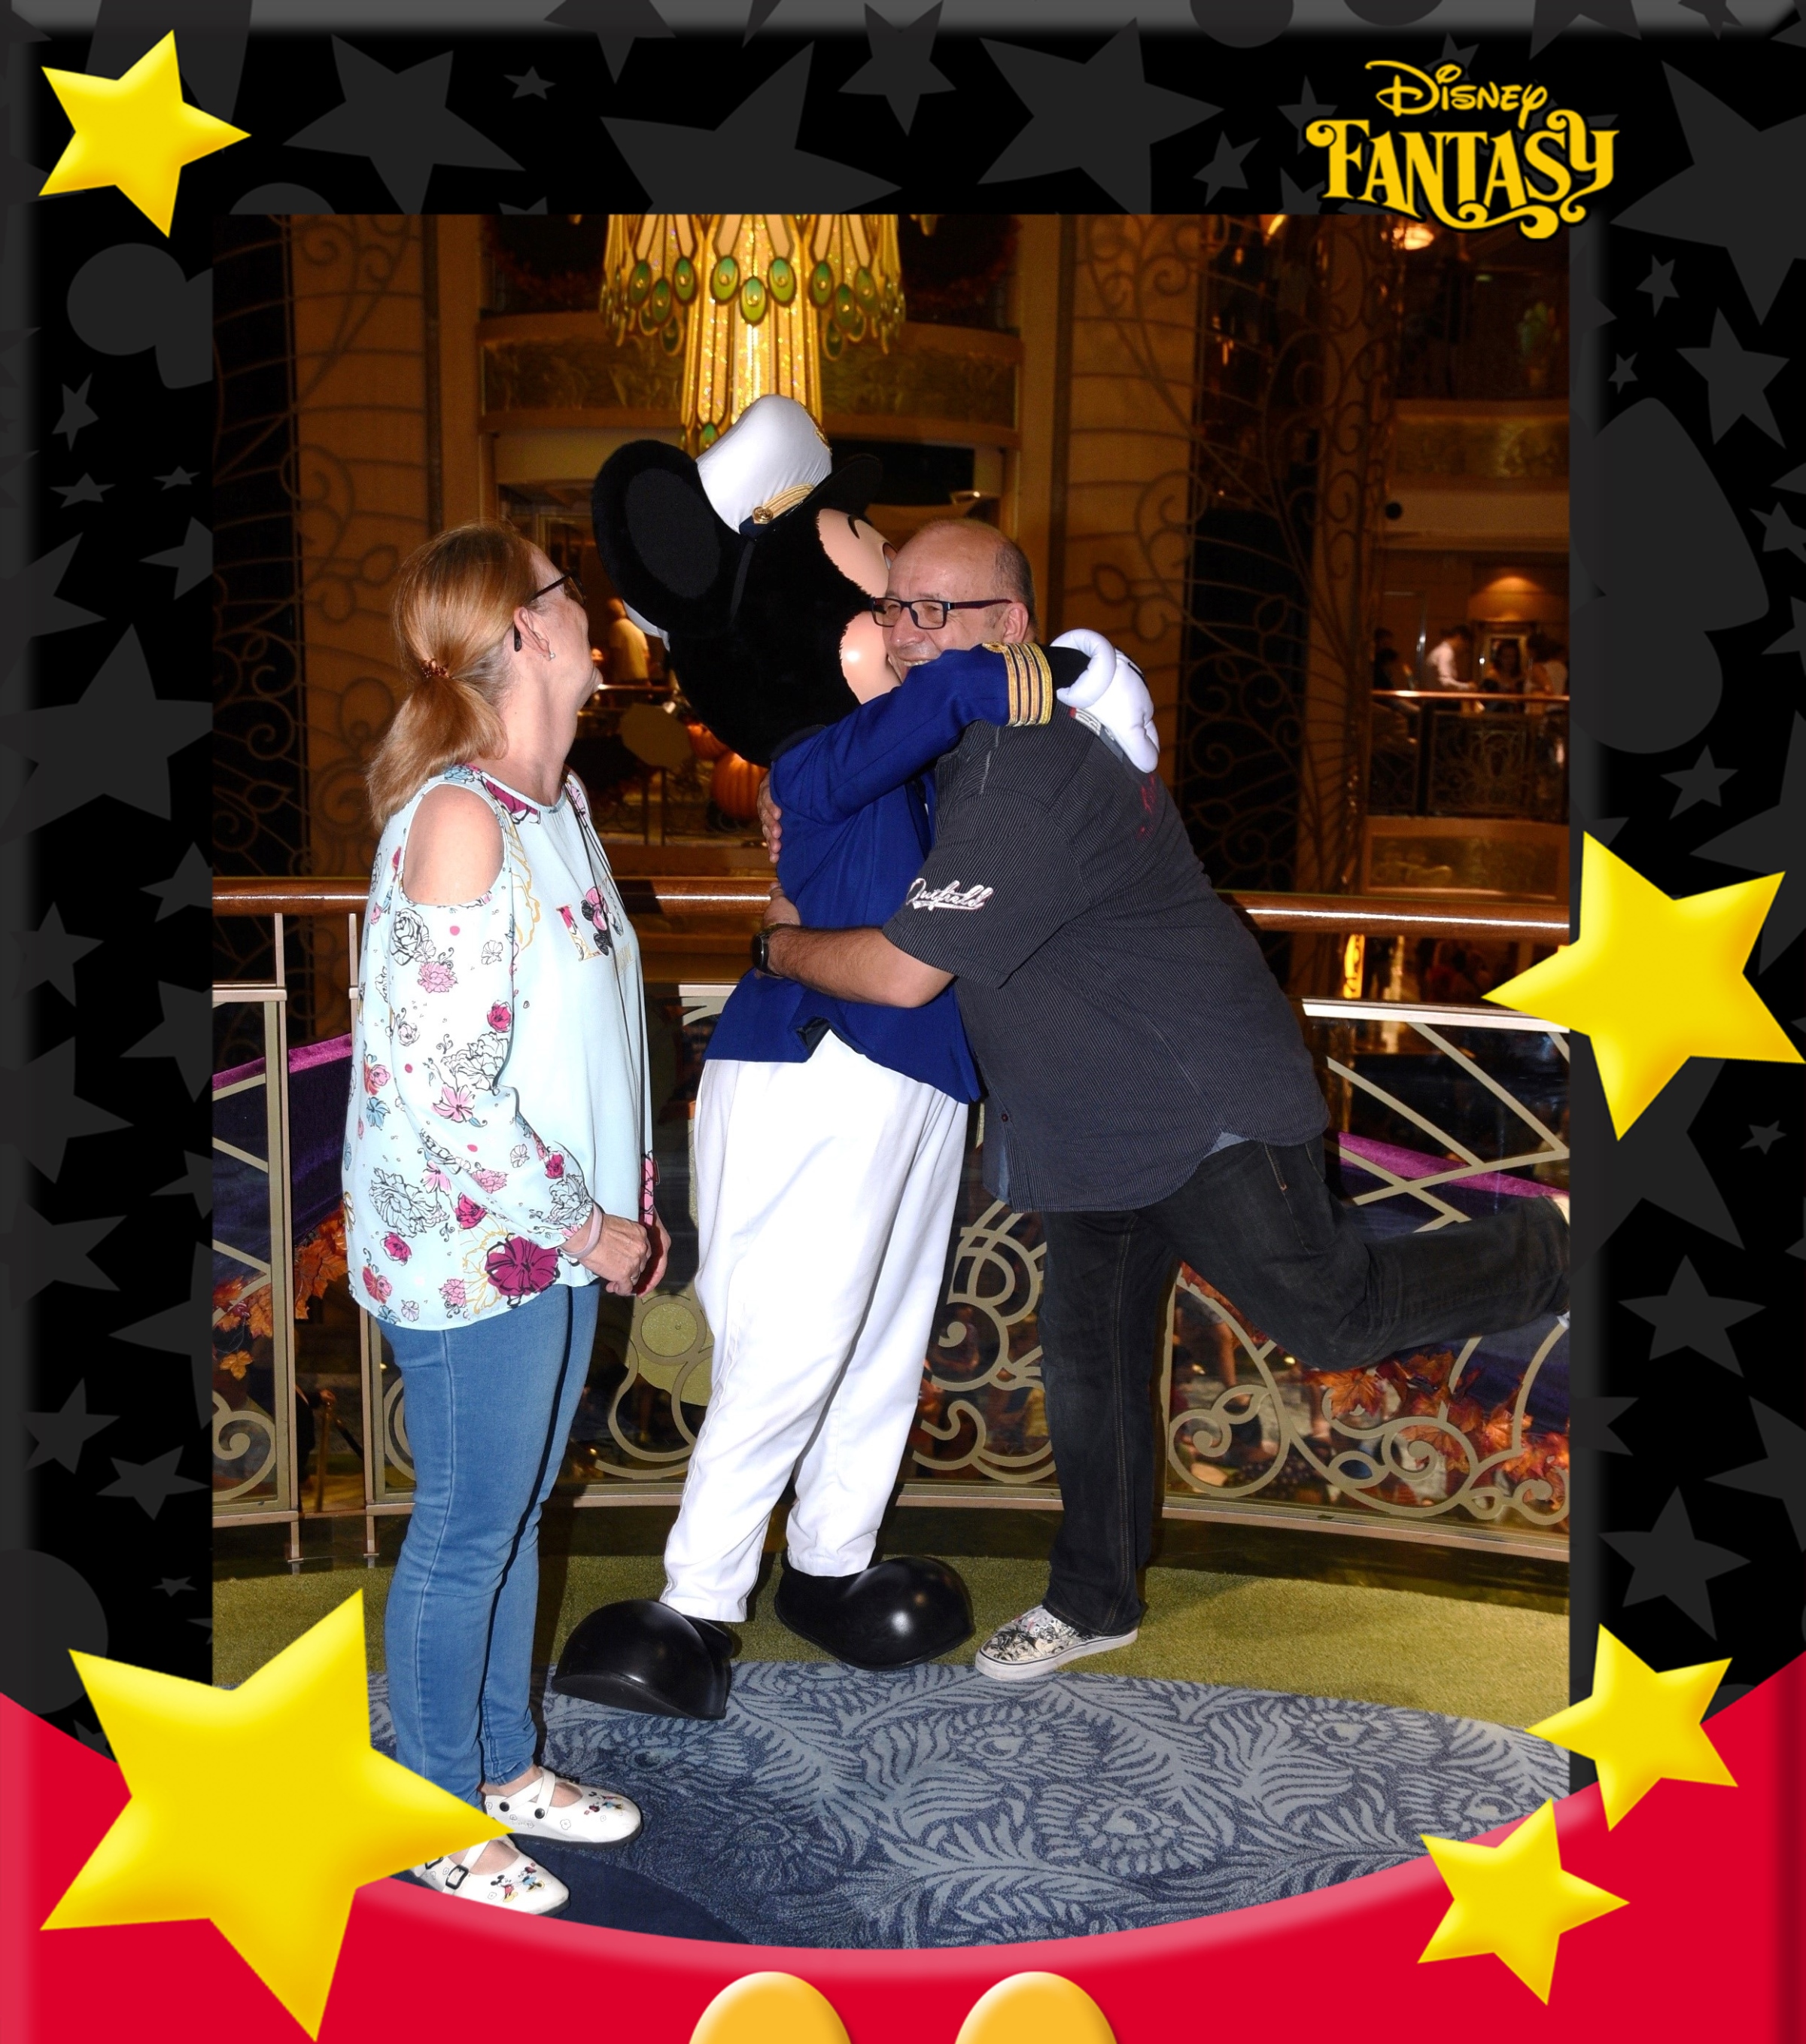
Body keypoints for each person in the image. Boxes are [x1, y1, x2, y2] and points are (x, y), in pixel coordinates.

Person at [756, 631, 1570, 1685]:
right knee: (1089, 1374)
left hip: (1199, 1108)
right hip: (1089, 1125)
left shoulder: (1029, 766)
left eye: (938, 608)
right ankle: (1093, 1601)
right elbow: (862, 807)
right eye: (897, 604)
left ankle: (1557, 1246)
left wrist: (774, 949)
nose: (911, 629)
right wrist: (793, 794)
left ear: (1010, 627)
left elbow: (905, 971)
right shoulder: (962, 756)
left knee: (1330, 1316)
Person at [573, 400, 1154, 1716]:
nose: (902, 618)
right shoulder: (828, 751)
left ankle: (832, 1559)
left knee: (885, 1335)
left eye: (915, 605)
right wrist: (1066, 665)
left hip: (914, 1073)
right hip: (824, 1059)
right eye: (884, 593)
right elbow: (959, 689)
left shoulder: (899, 758)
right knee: (796, 1335)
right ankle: (697, 1597)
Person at [343, 522, 670, 1912]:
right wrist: (590, 1227)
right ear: (528, 632)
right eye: (568, 592)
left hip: (555, 1234)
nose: (593, 613)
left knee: (520, 1507)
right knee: (468, 1526)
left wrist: (618, 1201)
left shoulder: (559, 804)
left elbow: (583, 1035)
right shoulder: (461, 818)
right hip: (476, 1242)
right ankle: (430, 1808)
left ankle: (497, 1767)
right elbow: (444, 1093)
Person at [601, 595, 650, 683]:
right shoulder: (636, 627)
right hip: (643, 678)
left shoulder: (616, 627)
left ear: (611, 613)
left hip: (626, 679)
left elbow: (614, 654)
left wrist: (607, 671)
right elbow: (646, 655)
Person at [1423, 623, 1476, 690]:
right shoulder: (1446, 652)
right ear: (1459, 638)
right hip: (1439, 696)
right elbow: (1445, 682)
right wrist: (1467, 687)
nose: (1463, 650)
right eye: (1465, 646)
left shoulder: (1441, 650)